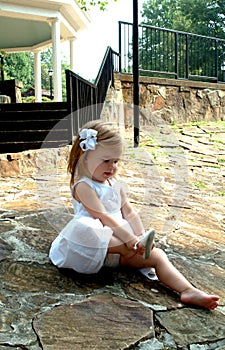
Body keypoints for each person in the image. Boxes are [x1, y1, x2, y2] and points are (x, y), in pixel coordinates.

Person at [49, 120, 219, 310]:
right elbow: (103, 217)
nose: (112, 167)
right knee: (90, 229)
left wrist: (140, 236)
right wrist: (130, 240)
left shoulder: (116, 185)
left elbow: (128, 212)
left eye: (116, 161)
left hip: (121, 248)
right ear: (85, 157)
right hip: (94, 245)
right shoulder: (83, 186)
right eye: (105, 160)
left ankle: (187, 290)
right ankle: (129, 247)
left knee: (158, 256)